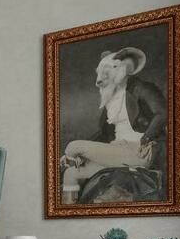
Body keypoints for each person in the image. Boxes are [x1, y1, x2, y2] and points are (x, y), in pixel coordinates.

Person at [61, 47, 167, 204]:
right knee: (70, 174)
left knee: (73, 146)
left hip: (139, 151)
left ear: (124, 69)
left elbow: (163, 113)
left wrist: (146, 138)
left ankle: (69, 159)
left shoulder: (142, 88)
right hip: (117, 150)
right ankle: (69, 213)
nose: (100, 81)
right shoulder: (112, 98)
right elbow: (103, 133)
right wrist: (80, 156)